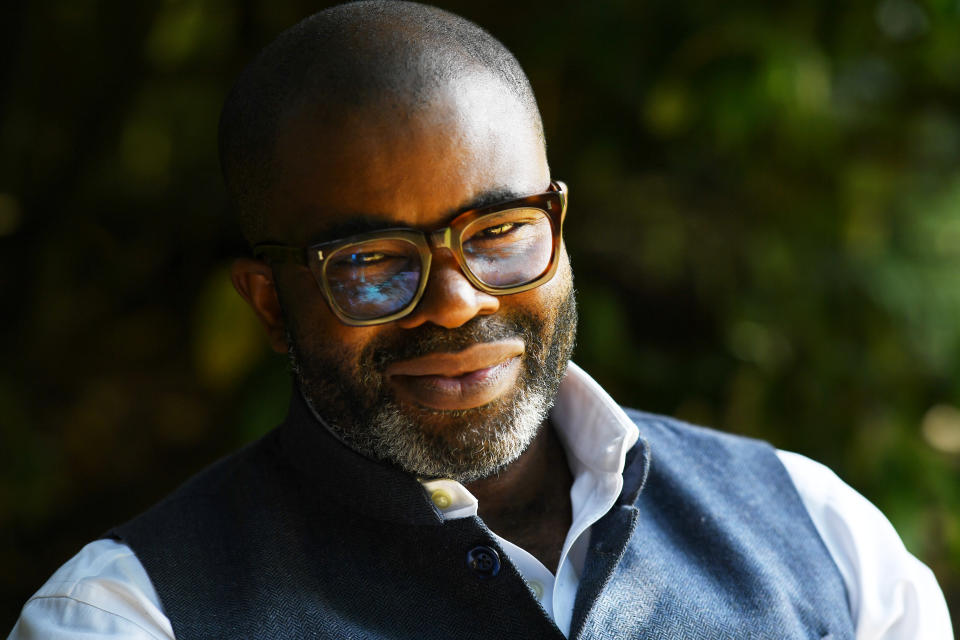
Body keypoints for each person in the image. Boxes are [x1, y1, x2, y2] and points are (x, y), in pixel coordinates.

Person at [9, 2, 953, 638]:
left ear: (558, 224)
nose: (459, 300)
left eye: (499, 232)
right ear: (269, 303)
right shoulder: (131, 614)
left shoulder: (817, 532)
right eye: (372, 262)